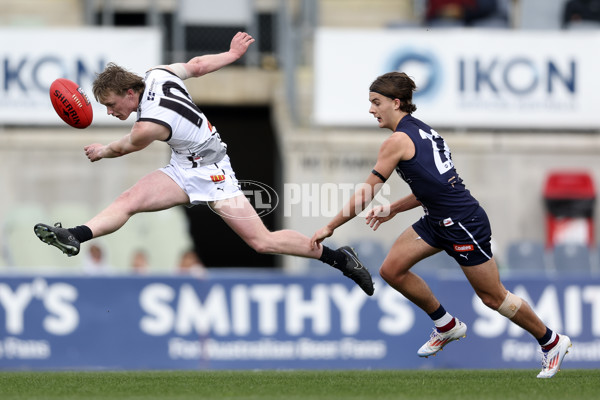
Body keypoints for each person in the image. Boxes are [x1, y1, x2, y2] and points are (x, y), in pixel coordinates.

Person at [33, 32, 373, 296]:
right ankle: (75, 235)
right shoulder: (157, 74)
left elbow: (125, 147)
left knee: (262, 242)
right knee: (129, 200)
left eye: (110, 104)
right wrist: (233, 54)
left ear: (127, 92)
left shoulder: (147, 124)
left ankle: (339, 258)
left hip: (213, 173)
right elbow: (196, 65)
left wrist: (102, 150)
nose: (109, 111)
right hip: (185, 163)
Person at [310, 72, 571, 378]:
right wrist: (394, 209)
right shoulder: (423, 131)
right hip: (438, 219)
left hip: (462, 222)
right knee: (391, 270)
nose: (371, 110)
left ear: (396, 103)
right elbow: (433, 186)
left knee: (492, 297)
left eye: (376, 102)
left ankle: (551, 341)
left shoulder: (396, 141)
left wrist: (331, 227)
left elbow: (366, 193)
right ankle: (446, 325)